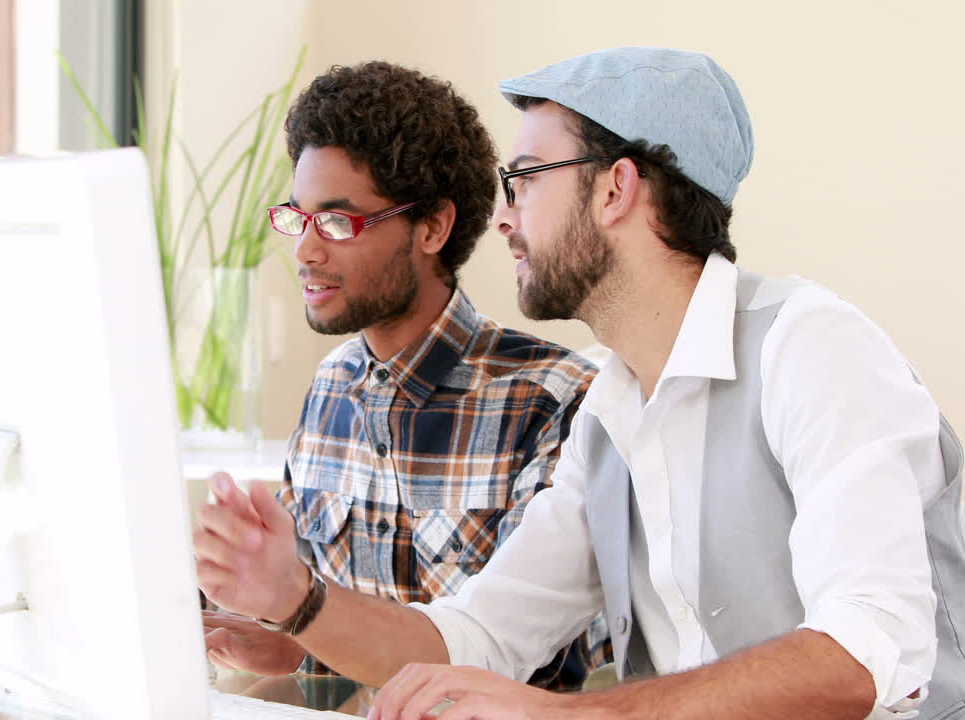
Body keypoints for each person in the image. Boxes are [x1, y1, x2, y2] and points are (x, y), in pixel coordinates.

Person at [193, 47, 965, 720]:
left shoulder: (811, 347)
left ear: (614, 188)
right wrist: (296, 599)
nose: (503, 219)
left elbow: (869, 654)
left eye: (525, 178)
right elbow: (479, 639)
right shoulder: (609, 410)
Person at [197, 60, 602, 689]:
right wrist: (287, 646)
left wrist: (297, 609)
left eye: (336, 221)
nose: (305, 249)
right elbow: (325, 621)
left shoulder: (553, 402)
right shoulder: (331, 389)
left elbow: (535, 669)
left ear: (433, 226)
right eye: (296, 217)